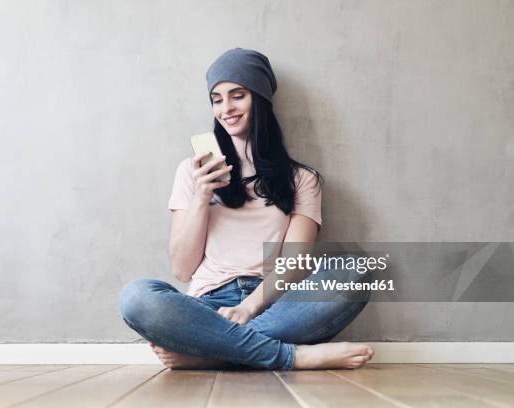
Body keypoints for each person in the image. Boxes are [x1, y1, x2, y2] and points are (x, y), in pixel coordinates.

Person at [119, 48, 374, 370]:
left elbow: (294, 264)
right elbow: (183, 270)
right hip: (206, 308)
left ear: (260, 99)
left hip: (273, 305)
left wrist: (249, 308)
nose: (226, 109)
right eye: (217, 99)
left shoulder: (302, 179)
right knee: (137, 296)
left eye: (237, 96)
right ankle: (291, 357)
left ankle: (205, 353)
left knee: (357, 270)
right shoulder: (192, 172)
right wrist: (201, 197)